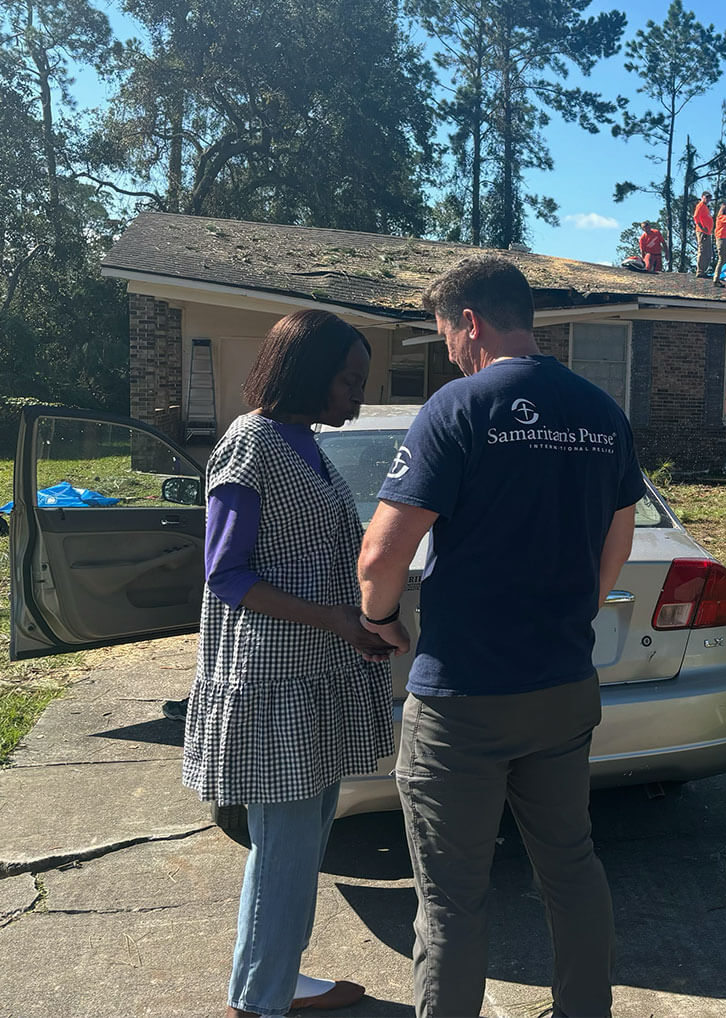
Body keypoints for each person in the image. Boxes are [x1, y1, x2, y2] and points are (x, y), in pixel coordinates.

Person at [356, 255, 641, 1018]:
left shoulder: (457, 407)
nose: (447, 349)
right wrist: (573, 610)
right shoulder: (600, 411)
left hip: (463, 698)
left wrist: (380, 618)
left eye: (445, 332)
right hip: (561, 686)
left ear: (471, 323)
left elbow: (381, 553)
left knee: (451, 897)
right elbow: (618, 541)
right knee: (571, 865)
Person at [182, 310, 396, 1018]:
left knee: (300, 846)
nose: (354, 396)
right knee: (285, 848)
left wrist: (360, 623)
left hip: (319, 676)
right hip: (273, 684)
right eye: (345, 380)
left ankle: (272, 979)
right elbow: (227, 574)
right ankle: (260, 1002)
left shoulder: (304, 443)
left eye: (359, 381)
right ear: (305, 371)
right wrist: (337, 618)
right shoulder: (252, 444)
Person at [692, 191, 715, 279]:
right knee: (703, 251)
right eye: (706, 197)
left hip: (707, 232)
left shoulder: (705, 207)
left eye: (709, 198)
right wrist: (702, 228)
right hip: (702, 232)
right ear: (702, 197)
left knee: (708, 252)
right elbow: (696, 217)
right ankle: (700, 271)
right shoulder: (700, 205)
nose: (708, 199)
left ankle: (703, 270)